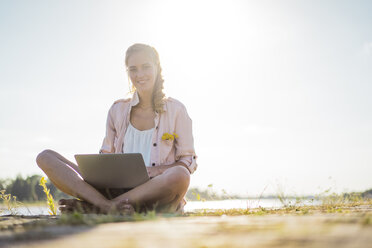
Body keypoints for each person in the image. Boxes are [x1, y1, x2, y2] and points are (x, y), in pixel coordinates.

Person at [36, 43, 197, 214]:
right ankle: (108, 205)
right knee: (46, 157)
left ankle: (97, 206)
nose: (140, 74)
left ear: (157, 68)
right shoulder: (117, 109)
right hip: (113, 187)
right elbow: (106, 154)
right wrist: (99, 170)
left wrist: (153, 171)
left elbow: (187, 162)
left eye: (146, 67)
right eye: (133, 69)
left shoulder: (176, 110)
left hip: (155, 191)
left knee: (180, 175)